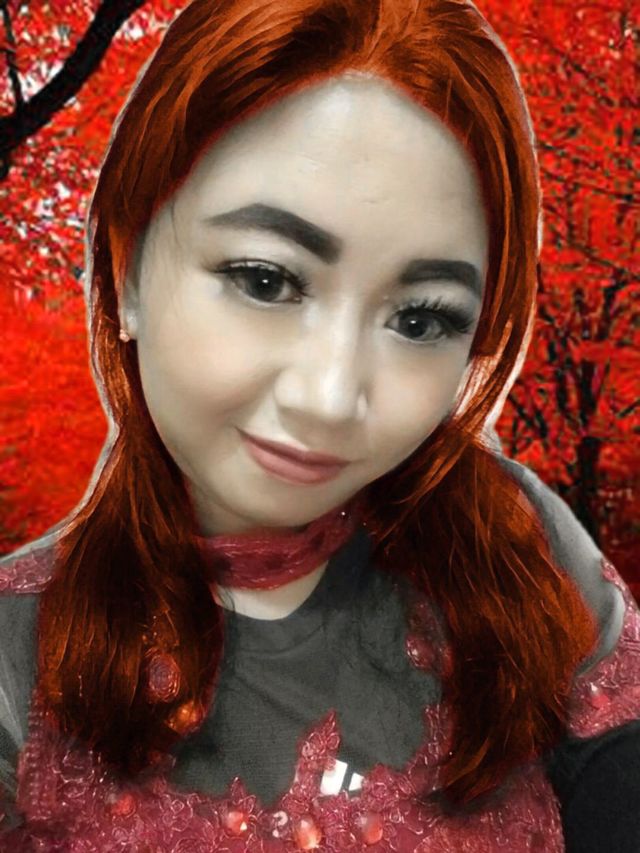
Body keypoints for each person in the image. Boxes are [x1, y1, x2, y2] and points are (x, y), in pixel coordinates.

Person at [1, 0, 639, 849]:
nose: (332, 399)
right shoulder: (15, 657)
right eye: (266, 280)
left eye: (420, 319)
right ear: (126, 269)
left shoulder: (516, 542)